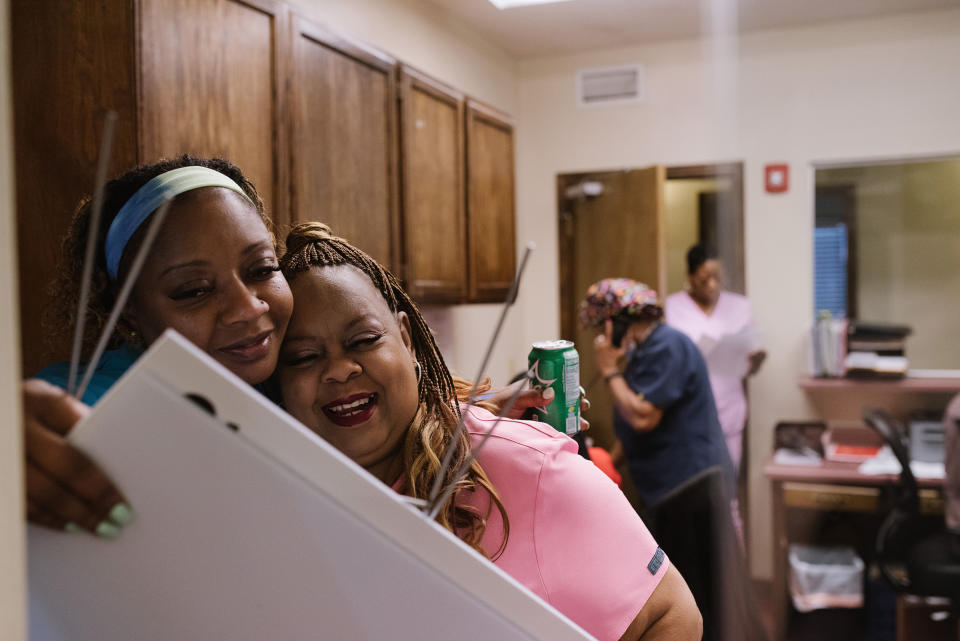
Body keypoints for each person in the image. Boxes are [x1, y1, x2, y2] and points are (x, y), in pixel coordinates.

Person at [23, 156, 549, 538]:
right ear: (130, 311)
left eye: (260, 270)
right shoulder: (92, 396)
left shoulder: (264, 381)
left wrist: (457, 409)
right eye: (193, 290)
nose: (249, 309)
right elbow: (39, 426)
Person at [274, 224, 702, 641]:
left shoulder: (525, 469)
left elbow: (670, 613)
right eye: (304, 356)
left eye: (364, 340)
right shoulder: (275, 502)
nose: (339, 370)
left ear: (406, 338)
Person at [580, 278, 735, 509]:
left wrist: (610, 370)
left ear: (618, 323)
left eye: (602, 327)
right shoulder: (645, 352)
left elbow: (643, 418)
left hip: (689, 486)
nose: (601, 337)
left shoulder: (667, 346)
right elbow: (631, 423)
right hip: (669, 487)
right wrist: (607, 466)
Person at [664, 244, 765, 472]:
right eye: (703, 279)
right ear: (689, 277)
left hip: (729, 406)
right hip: (686, 409)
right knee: (692, 483)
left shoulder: (740, 307)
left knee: (727, 480)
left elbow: (751, 362)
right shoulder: (672, 307)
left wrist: (756, 359)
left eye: (717, 278)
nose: (712, 285)